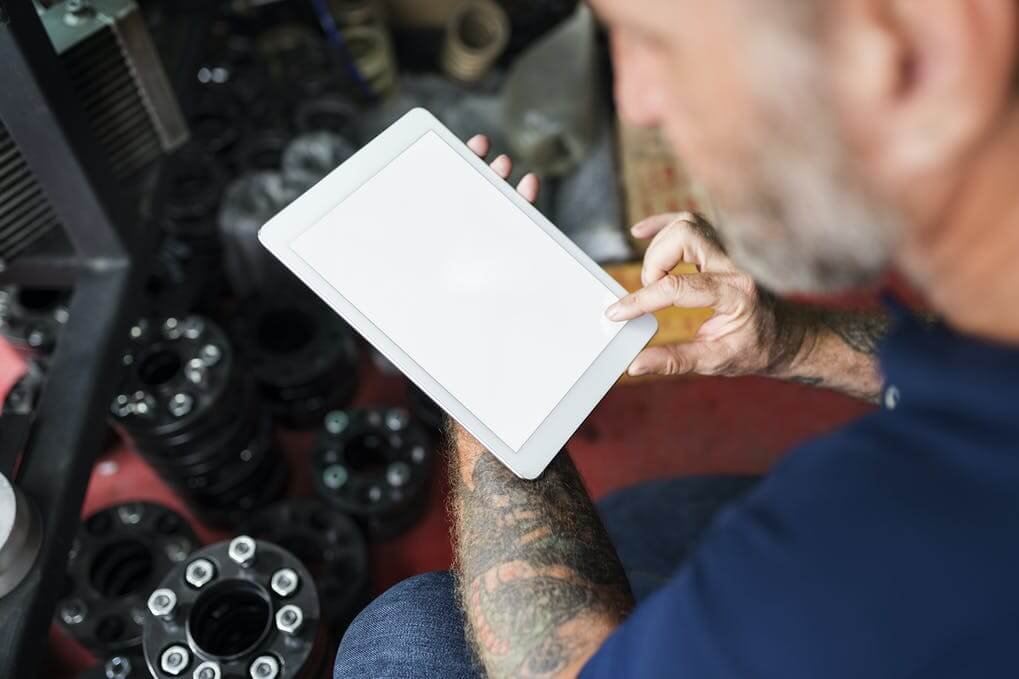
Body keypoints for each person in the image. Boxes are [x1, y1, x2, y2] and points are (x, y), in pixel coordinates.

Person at [334, 0, 1019, 676]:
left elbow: (564, 667)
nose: (636, 105)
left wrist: (478, 362)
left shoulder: (850, 551)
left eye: (654, 42)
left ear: (926, 38)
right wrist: (795, 343)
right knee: (638, 521)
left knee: (400, 641)